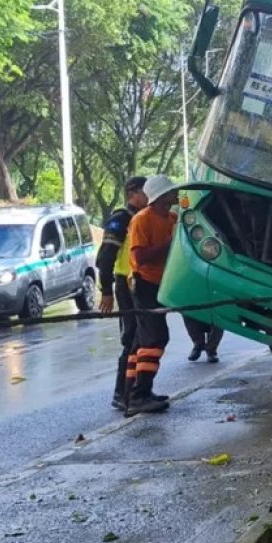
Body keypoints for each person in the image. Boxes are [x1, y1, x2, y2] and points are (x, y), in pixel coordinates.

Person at [95, 176, 158, 410]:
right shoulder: (121, 219)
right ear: (133, 193)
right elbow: (106, 257)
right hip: (126, 284)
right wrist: (106, 290)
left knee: (143, 338)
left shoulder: (144, 218)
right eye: (145, 192)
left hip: (140, 282)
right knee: (132, 337)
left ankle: (140, 389)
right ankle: (122, 393)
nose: (149, 196)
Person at [124, 175, 180, 415]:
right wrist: (168, 244)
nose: (175, 195)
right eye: (171, 192)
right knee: (154, 338)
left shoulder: (173, 218)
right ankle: (139, 395)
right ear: (160, 197)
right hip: (144, 283)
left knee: (140, 342)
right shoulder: (141, 221)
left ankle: (133, 393)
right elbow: (138, 258)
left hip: (161, 283)